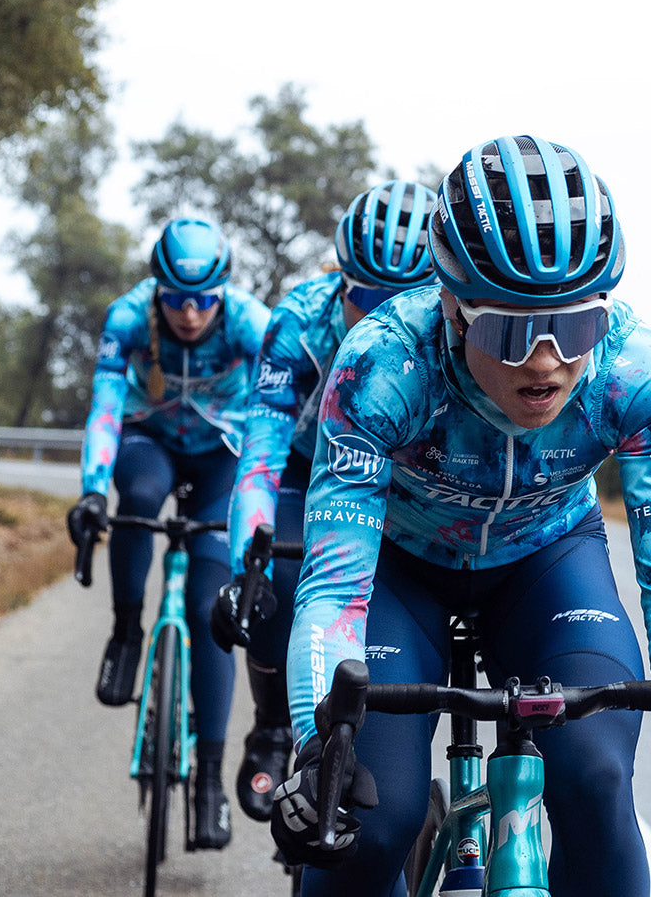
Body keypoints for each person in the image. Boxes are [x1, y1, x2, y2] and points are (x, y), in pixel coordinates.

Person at [268, 136, 651, 896]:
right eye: (509, 330)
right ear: (449, 304)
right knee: (370, 821)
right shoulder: (382, 365)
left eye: (576, 325)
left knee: (598, 779)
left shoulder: (638, 371)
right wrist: (320, 745)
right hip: (398, 569)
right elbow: (333, 585)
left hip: (546, 561)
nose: (545, 361)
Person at [212, 180, 437, 823]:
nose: (382, 320)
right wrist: (243, 566)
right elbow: (260, 453)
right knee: (279, 579)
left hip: (401, 484)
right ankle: (272, 725)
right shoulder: (298, 321)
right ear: (340, 283)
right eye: (365, 299)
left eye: (404, 301)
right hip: (308, 467)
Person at [65, 216, 268, 848]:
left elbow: (276, 412)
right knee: (139, 498)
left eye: (204, 299)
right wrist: (93, 489)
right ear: (157, 289)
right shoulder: (128, 318)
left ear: (223, 293)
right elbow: (103, 406)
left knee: (214, 606)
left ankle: (209, 780)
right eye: (176, 298)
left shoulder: (250, 324)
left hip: (221, 453)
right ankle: (127, 631)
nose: (189, 313)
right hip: (148, 438)